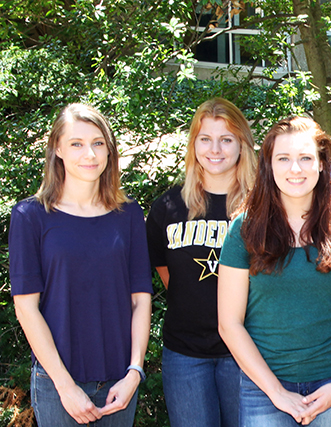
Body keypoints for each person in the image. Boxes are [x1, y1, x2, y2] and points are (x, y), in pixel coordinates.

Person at [218, 116, 331, 426]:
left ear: (322, 164)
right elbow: (229, 324)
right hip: (264, 388)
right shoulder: (244, 230)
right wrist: (276, 392)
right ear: (268, 166)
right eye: (283, 159)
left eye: (305, 158)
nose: (295, 168)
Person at [9, 103, 153, 426]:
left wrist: (134, 372)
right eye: (76, 143)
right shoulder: (29, 217)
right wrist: (65, 386)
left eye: (98, 143)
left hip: (120, 383)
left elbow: (141, 299)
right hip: (57, 385)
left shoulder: (128, 215)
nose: (89, 153)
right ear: (57, 149)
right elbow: (26, 309)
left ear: (109, 151)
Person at [146, 98, 256, 427]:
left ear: (242, 144)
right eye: (205, 139)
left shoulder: (263, 208)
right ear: (194, 144)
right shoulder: (167, 207)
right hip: (185, 354)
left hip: (247, 352)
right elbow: (169, 275)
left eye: (226, 139)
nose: (215, 149)